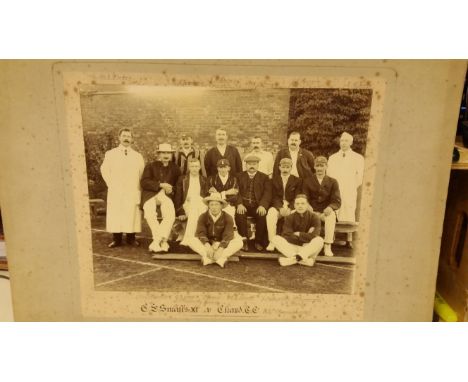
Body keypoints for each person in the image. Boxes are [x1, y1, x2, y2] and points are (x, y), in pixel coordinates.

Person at [100, 128, 145, 248]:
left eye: (129, 136)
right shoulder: (110, 154)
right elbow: (104, 170)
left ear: (132, 139)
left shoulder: (137, 156)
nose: (126, 138)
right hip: (117, 190)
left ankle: (131, 239)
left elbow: (142, 174)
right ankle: (117, 239)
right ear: (119, 138)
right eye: (124, 136)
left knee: (132, 213)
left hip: (132, 189)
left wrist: (138, 188)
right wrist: (112, 184)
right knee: (117, 213)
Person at [141, 143, 181, 254]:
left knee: (170, 214)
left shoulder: (175, 168)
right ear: (159, 154)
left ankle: (157, 241)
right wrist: (160, 185)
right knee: (149, 212)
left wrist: (171, 189)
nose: (166, 155)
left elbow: (178, 185)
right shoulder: (151, 166)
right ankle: (163, 241)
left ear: (171, 154)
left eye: (168, 153)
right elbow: (144, 182)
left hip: (166, 195)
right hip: (150, 194)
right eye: (163, 152)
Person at [188, 193, 243, 267]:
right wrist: (207, 246)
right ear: (208, 206)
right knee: (191, 240)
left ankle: (213, 258)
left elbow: (228, 234)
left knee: (239, 242)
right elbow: (201, 232)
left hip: (222, 243)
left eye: (216, 204)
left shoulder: (228, 217)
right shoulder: (203, 216)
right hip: (208, 244)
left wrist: (220, 248)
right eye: (212, 204)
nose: (214, 207)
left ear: (221, 206)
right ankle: (218, 259)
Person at [302, 156, 341, 257]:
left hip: (325, 212)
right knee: (303, 213)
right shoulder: (307, 181)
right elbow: (304, 197)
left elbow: (337, 201)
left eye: (322, 166)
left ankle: (327, 245)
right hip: (312, 211)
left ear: (326, 166)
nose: (319, 168)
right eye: (317, 166)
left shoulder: (333, 181)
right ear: (314, 167)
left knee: (331, 216)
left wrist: (330, 207)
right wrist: (308, 206)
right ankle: (306, 244)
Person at [272, 194, 324, 266]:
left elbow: (315, 236)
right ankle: (303, 260)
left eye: (303, 203)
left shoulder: (314, 217)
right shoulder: (289, 217)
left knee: (319, 240)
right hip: (293, 247)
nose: (300, 206)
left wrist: (299, 234)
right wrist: (307, 236)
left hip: (308, 248)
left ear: (307, 205)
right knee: (275, 238)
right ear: (294, 205)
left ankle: (292, 259)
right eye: (297, 204)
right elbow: (286, 235)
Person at [235, 154, 272, 251]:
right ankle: (244, 241)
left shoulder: (264, 177)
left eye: (254, 164)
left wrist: (263, 205)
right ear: (245, 165)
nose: (252, 166)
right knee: (239, 215)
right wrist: (239, 204)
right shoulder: (239, 176)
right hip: (243, 205)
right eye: (249, 164)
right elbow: (236, 191)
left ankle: (258, 241)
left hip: (257, 205)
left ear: (258, 165)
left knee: (262, 215)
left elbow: (267, 193)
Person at [266, 158, 302, 251]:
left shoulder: (297, 180)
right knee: (271, 214)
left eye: (287, 167)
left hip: (292, 205)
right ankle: (272, 241)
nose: (285, 169)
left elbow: (297, 197)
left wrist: (290, 208)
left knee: (298, 214)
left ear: (291, 168)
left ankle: (293, 242)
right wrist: (280, 208)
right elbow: (273, 196)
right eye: (283, 167)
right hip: (278, 205)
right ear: (279, 167)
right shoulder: (273, 180)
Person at [327, 132, 364, 222]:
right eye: (342, 140)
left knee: (348, 210)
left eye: (346, 141)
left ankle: (347, 234)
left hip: (349, 190)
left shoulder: (358, 158)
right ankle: (333, 234)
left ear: (351, 143)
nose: (343, 143)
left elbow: (360, 177)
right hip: (335, 190)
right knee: (334, 211)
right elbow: (328, 175)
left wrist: (350, 186)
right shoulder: (332, 158)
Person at [174, 158, 209, 246]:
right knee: (194, 204)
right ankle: (199, 237)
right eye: (192, 166)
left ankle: (189, 238)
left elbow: (206, 196)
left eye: (196, 166)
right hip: (186, 206)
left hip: (201, 205)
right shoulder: (182, 179)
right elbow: (177, 197)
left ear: (200, 167)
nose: (194, 168)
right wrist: (180, 212)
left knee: (196, 201)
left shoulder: (204, 179)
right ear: (189, 167)